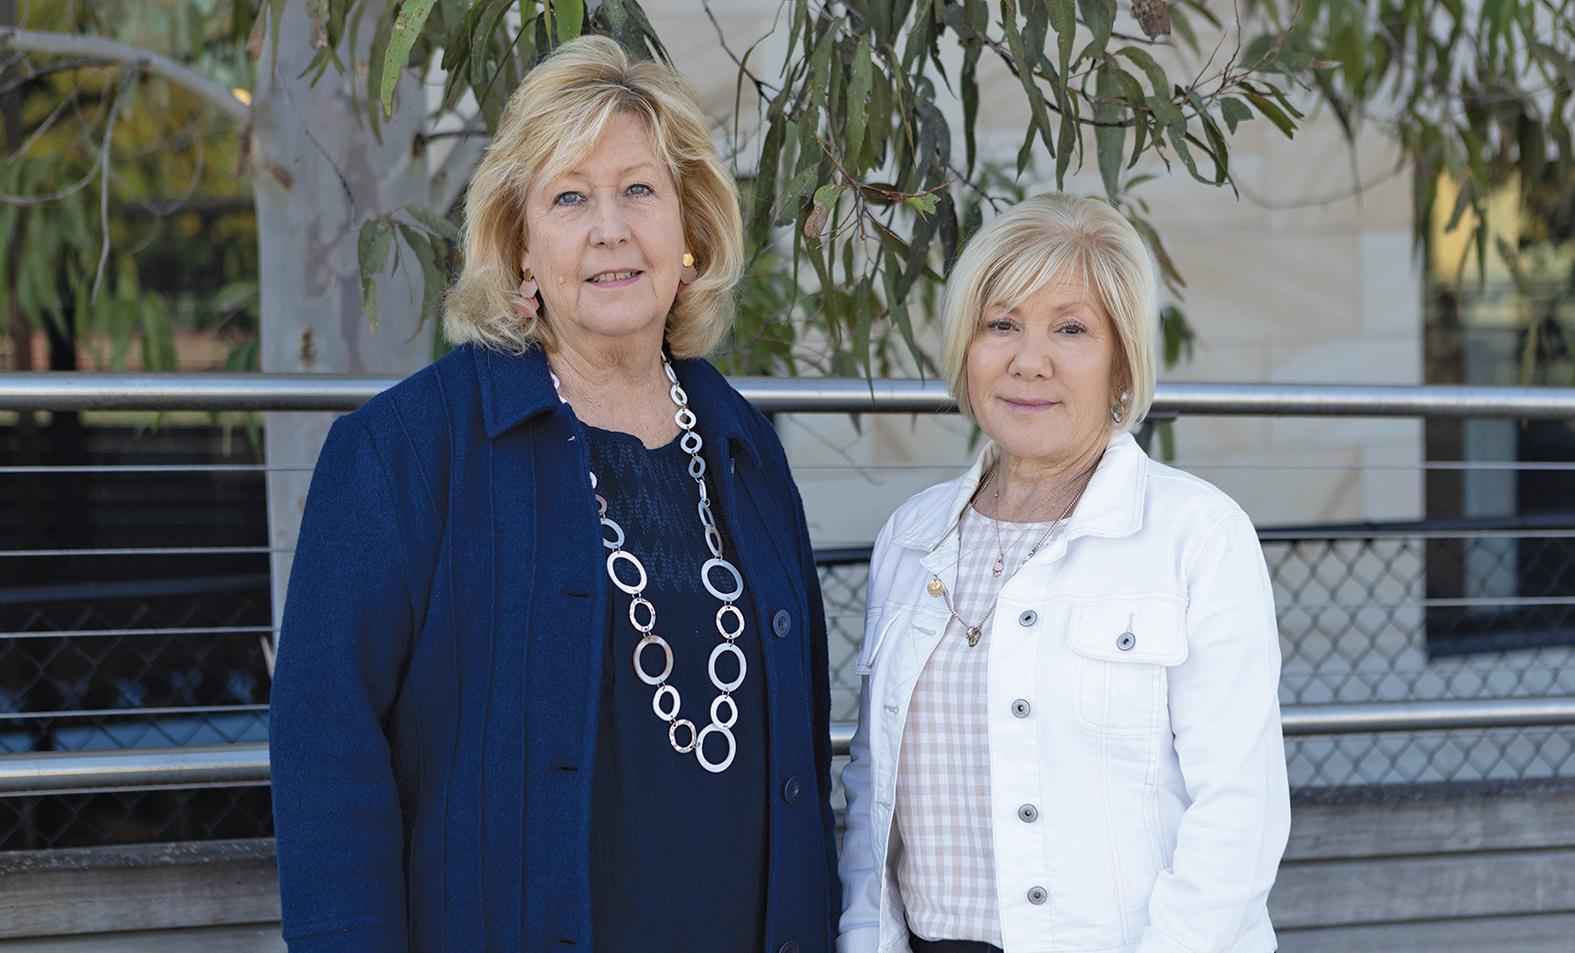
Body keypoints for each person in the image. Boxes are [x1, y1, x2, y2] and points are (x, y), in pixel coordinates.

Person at [269, 36, 838, 953]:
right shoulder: (404, 450)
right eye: (569, 197)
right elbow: (324, 749)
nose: (609, 229)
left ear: (688, 230)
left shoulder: (746, 448)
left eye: (639, 190)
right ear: (520, 247)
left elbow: (801, 748)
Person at [837, 193, 1290, 953]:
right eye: (1001, 324)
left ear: (1121, 361)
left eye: (1071, 329)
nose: (1028, 360)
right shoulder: (909, 539)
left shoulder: (1197, 535)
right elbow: (871, 788)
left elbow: (1239, 811)